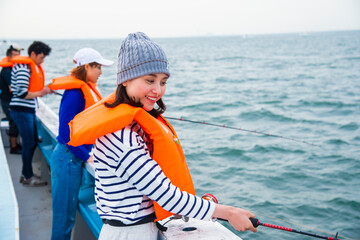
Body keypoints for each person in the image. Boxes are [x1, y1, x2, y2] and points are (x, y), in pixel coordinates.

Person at [68, 32, 257, 240]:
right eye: (150, 80)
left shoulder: (133, 124)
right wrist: (228, 213)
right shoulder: (121, 137)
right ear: (125, 80)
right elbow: (166, 195)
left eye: (163, 82)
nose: (157, 90)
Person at [47, 48, 113, 240]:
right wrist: (86, 156)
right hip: (67, 158)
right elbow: (66, 133)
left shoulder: (83, 88)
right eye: (98, 67)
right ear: (87, 67)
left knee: (66, 216)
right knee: (64, 219)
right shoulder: (75, 93)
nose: (101, 71)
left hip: (71, 159)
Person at [9, 41, 52, 186]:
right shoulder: (23, 68)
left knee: (32, 142)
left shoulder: (30, 66)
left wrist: (45, 90)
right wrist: (43, 92)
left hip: (28, 110)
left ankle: (25, 174)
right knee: (28, 143)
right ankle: (28, 177)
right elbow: (21, 94)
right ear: (33, 54)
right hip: (21, 110)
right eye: (41, 57)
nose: (42, 61)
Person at [0, 44, 23, 154]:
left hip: (11, 101)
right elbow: (11, 88)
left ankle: (16, 145)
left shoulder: (13, 68)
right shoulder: (7, 71)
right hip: (7, 102)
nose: (17, 58)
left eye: (18, 55)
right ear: (8, 57)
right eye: (14, 56)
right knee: (13, 123)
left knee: (15, 123)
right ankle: (13, 147)